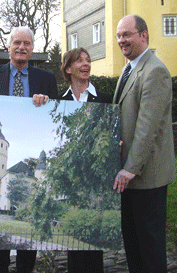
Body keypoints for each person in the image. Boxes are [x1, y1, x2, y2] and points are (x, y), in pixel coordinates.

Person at [0, 26, 58, 273]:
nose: (21, 48)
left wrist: (47, 103)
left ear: (32, 49)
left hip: (28, 132)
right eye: (17, 43)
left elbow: (53, 115)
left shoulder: (46, 79)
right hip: (7, 136)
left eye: (26, 44)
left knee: (27, 253)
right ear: (9, 46)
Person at [112, 15, 176, 273]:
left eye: (127, 34)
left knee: (150, 251)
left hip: (145, 178)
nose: (121, 40)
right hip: (128, 177)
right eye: (118, 36)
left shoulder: (155, 71)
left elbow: (147, 128)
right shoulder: (129, 70)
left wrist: (130, 169)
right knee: (134, 247)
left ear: (144, 35)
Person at [57, 47, 111, 273]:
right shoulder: (59, 102)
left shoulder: (106, 99)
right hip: (74, 174)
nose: (86, 64)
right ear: (68, 68)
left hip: (97, 176)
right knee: (74, 243)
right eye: (79, 61)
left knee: (93, 239)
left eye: (88, 61)